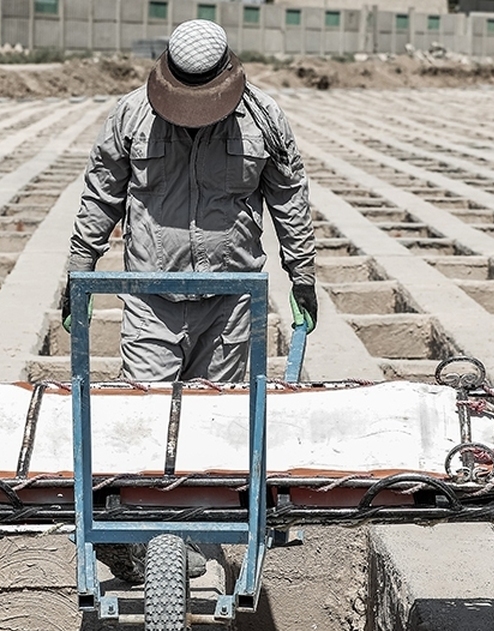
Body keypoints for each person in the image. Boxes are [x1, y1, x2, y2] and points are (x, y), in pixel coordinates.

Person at [62, 19, 318, 582]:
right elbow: (100, 192)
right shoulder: (132, 116)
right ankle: (142, 540)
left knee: (218, 419)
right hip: (152, 296)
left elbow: (289, 198)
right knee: (146, 413)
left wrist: (303, 273)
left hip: (232, 300)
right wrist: (79, 270)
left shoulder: (265, 119)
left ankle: (204, 544)